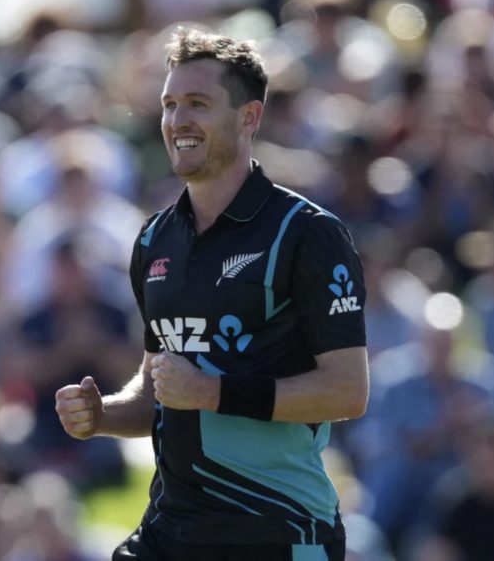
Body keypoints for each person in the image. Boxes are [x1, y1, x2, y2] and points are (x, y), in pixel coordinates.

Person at [54, 27, 370, 560]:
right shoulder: (155, 239)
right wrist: (103, 414)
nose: (178, 120)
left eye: (197, 104)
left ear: (249, 117)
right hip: (171, 532)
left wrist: (213, 393)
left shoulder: (306, 233)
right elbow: (161, 389)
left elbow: (346, 392)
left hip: (277, 532)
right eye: (169, 105)